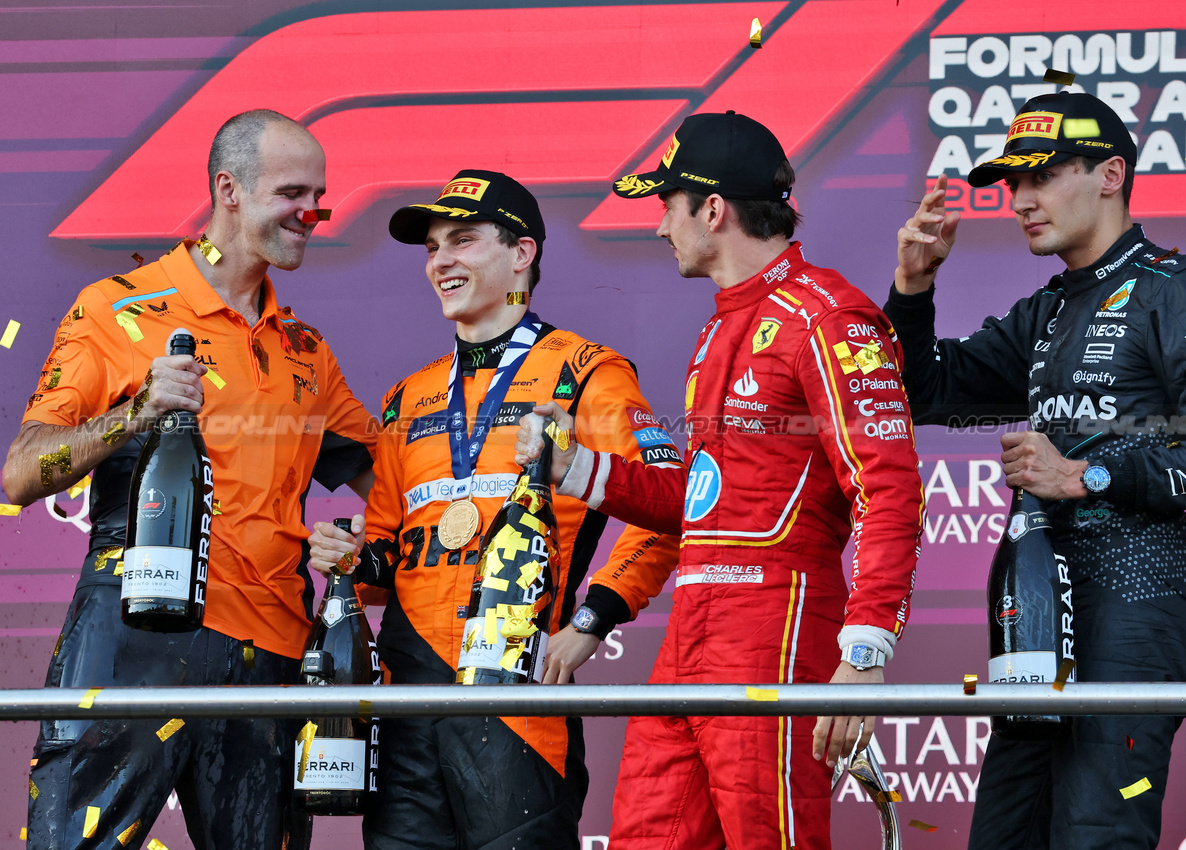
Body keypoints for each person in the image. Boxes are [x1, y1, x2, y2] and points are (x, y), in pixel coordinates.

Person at [516, 111, 924, 850]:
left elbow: (887, 488)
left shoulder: (828, 317)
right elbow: (705, 505)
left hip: (778, 621)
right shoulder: (716, 329)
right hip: (690, 631)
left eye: (665, 206)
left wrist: (864, 657)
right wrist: (575, 466)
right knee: (646, 836)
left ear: (711, 209)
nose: (657, 227)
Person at [887, 91, 1186, 849]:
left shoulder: (1182, 289)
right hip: (1036, 618)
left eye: (1042, 177)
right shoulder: (1048, 311)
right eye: (1011, 185)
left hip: (1136, 603)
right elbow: (922, 390)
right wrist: (913, 289)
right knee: (1003, 839)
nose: (1020, 201)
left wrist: (1087, 477)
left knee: (1095, 836)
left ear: (1110, 174)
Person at [3, 109, 378, 850]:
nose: (312, 212)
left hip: (271, 654)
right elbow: (19, 474)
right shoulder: (119, 309)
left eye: (320, 196)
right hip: (134, 636)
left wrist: (380, 532)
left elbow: (385, 477)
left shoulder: (306, 349)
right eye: (292, 193)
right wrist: (134, 414)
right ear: (228, 190)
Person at [306, 169, 681, 850]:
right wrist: (348, 559)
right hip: (406, 704)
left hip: (516, 699)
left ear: (521, 253)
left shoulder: (586, 371)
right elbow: (383, 556)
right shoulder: (407, 398)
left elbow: (669, 509)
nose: (440, 261)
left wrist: (593, 620)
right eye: (430, 248)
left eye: (463, 240)